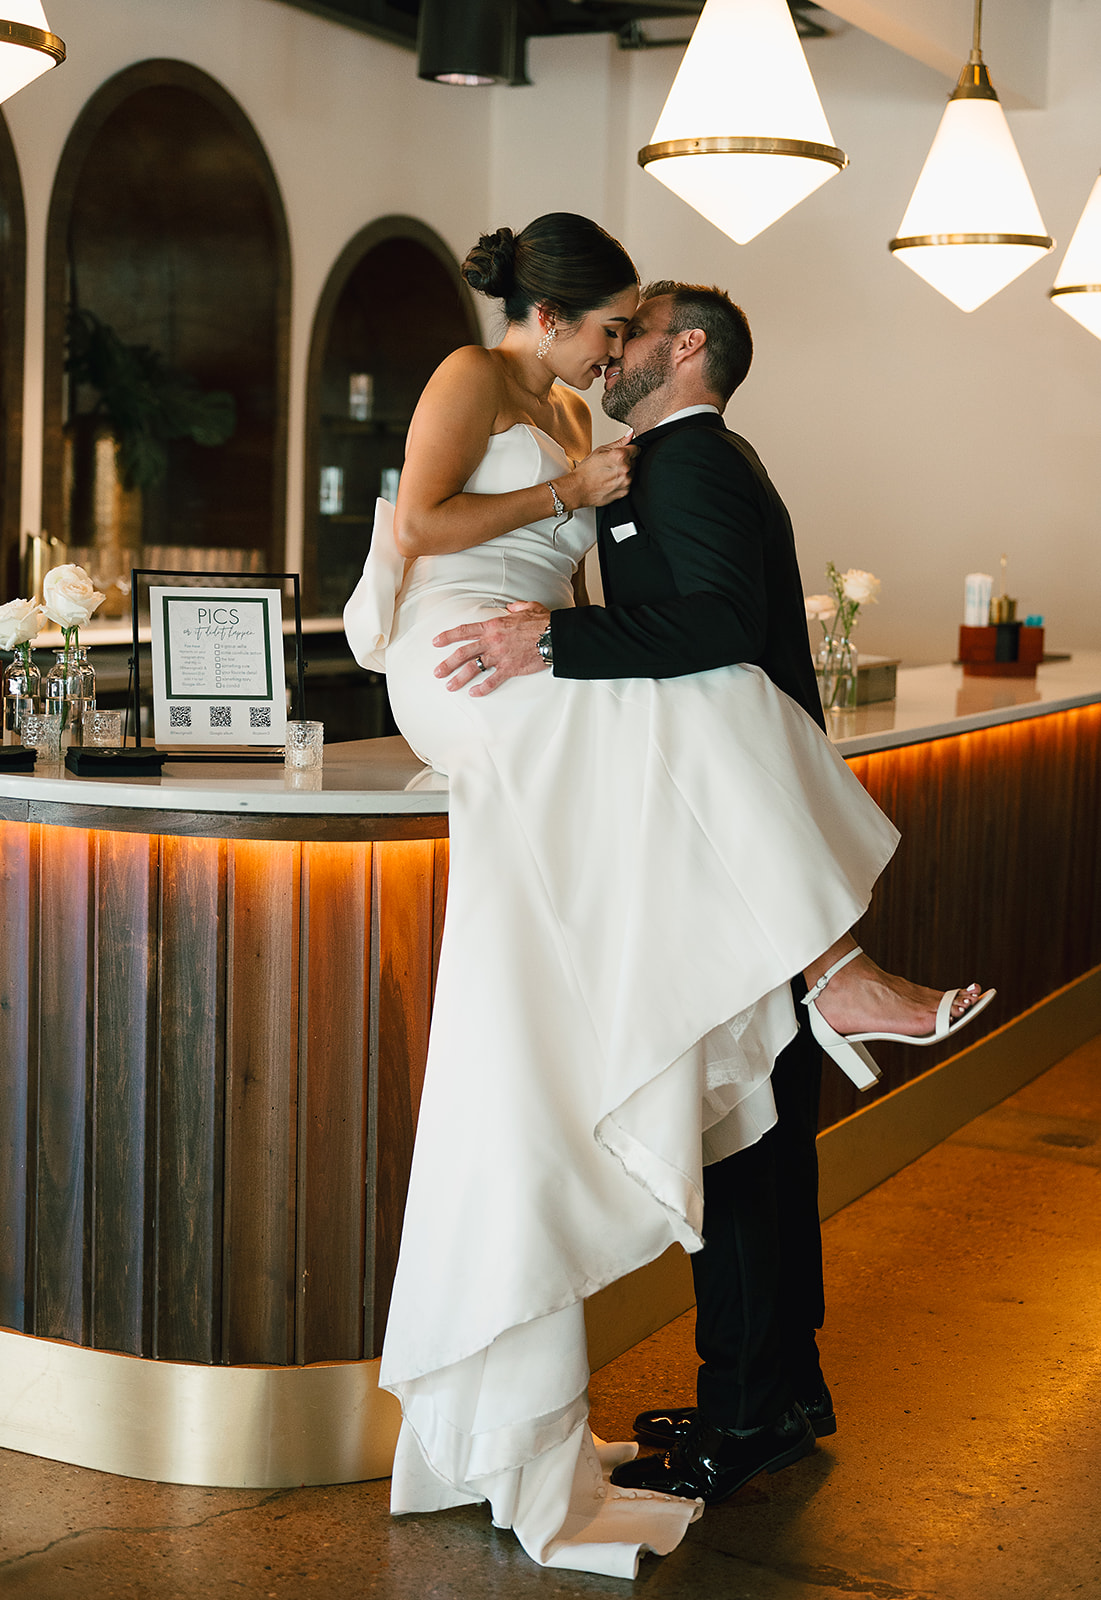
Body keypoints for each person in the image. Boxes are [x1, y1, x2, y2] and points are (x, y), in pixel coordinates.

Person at [343, 217, 989, 1574]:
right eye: (608, 325)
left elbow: (690, 624)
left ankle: (767, 1384)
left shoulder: (633, 435)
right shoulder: (495, 385)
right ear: (558, 317)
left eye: (635, 330)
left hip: (538, 666)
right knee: (705, 708)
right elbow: (420, 522)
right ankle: (835, 972)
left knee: (709, 706)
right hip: (461, 658)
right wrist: (565, 500)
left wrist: (571, 581)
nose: (617, 345)